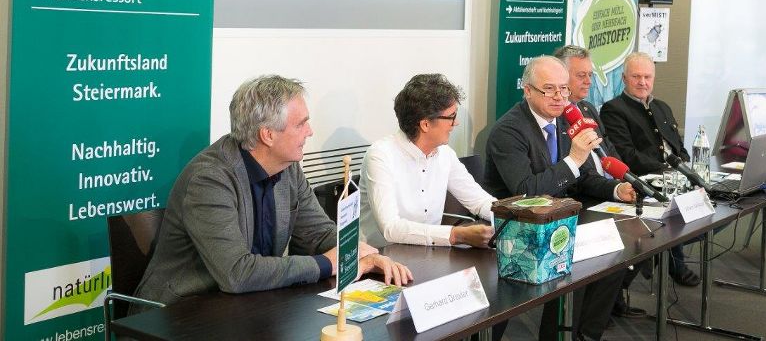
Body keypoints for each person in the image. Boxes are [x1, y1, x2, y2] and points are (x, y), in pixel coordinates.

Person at [133, 75, 412, 309]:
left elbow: (319, 234)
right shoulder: (210, 180)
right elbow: (237, 273)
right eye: (301, 123)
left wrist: (363, 255)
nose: (310, 131)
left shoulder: (287, 166)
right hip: (179, 313)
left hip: (247, 305)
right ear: (267, 135)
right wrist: (326, 264)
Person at [484, 55, 636, 341]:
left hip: (560, 217)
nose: (560, 97)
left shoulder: (566, 122)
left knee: (616, 255)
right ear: (527, 90)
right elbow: (526, 192)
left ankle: (584, 335)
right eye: (549, 89)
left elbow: (584, 176)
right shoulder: (509, 130)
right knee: (575, 263)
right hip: (518, 228)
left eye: (564, 89)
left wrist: (616, 190)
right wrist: (575, 157)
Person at [553, 44, 647, 320]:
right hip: (587, 197)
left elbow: (610, 152)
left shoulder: (586, 107)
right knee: (623, 243)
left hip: (610, 190)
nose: (588, 81)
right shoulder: (556, 119)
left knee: (652, 234)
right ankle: (590, 325)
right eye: (580, 75)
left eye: (590, 75)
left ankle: (610, 300)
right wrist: (615, 190)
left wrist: (628, 180)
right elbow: (577, 177)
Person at [359, 73, 495, 249]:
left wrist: (518, 215)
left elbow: (479, 201)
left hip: (429, 254)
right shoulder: (380, 156)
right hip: (381, 258)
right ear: (425, 124)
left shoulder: (445, 154)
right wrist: (455, 235)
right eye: (451, 116)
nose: (456, 123)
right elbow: (391, 228)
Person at [600, 52, 701, 286]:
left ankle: (662, 256)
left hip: (673, 179)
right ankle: (669, 261)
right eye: (636, 76)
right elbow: (627, 155)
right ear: (624, 78)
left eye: (647, 77)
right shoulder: (613, 109)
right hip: (642, 184)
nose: (642, 82)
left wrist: (684, 168)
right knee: (673, 212)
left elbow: (678, 148)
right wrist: (666, 169)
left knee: (711, 212)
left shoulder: (662, 107)